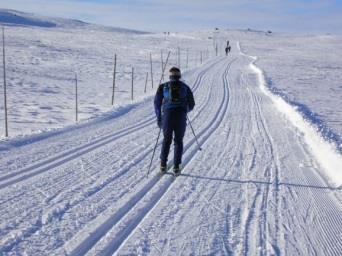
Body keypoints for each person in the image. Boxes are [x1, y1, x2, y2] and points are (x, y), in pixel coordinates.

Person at [154, 67, 195, 175]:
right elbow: (192, 104)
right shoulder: (185, 87)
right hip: (180, 116)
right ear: (179, 75)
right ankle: (176, 167)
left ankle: (163, 165)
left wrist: (159, 117)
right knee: (178, 141)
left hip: (167, 116)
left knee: (166, 139)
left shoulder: (163, 86)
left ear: (170, 75)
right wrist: (184, 110)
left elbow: (156, 103)